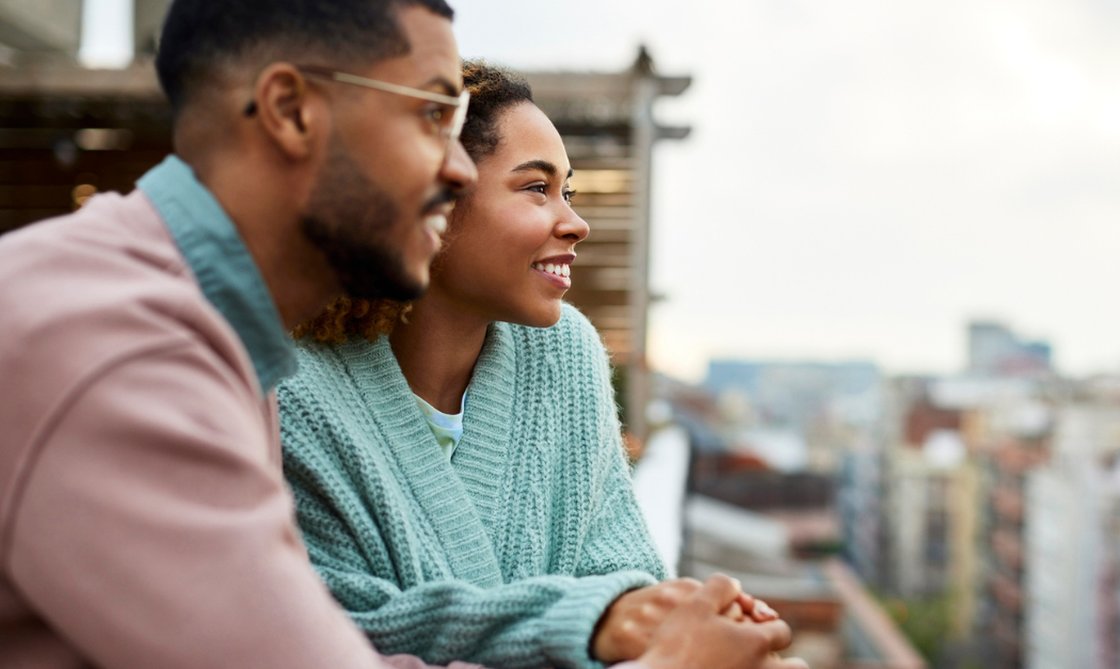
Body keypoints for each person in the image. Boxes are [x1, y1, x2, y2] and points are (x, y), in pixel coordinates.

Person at [0, 0, 798, 668]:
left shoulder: (211, 333)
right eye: (429, 115)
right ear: (289, 109)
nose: (456, 171)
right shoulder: (123, 356)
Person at [278, 61, 789, 669]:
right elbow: (338, 625)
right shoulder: (289, 390)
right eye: (535, 188)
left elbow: (620, 569)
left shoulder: (564, 353)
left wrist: (685, 617)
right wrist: (587, 620)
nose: (575, 223)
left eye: (566, 191)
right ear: (430, 198)